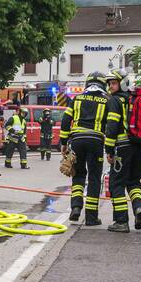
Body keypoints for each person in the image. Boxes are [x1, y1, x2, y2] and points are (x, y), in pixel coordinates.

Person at [59, 73, 108, 225]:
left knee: (78, 175)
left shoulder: (77, 98)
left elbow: (66, 119)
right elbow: (112, 123)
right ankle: (91, 217)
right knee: (94, 177)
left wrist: (64, 142)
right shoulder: (107, 100)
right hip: (96, 141)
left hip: (78, 140)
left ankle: (75, 208)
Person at [103, 70, 141, 233]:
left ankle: (121, 221)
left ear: (121, 83)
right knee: (134, 182)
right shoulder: (135, 98)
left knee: (116, 184)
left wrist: (109, 150)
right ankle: (139, 209)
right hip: (140, 146)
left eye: (113, 83)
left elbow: (112, 127)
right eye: (109, 83)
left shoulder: (115, 100)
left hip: (123, 147)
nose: (110, 86)